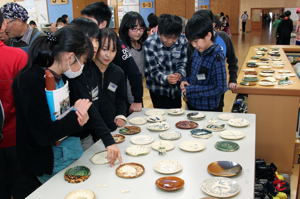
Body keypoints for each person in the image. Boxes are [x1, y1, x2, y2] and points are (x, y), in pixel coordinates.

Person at [12, 26, 94, 195]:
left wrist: (80, 119)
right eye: (82, 62)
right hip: (45, 163)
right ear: (70, 56)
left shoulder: (61, 76)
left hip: (68, 154)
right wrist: (75, 116)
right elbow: (42, 134)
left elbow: (66, 118)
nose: (81, 67)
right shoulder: (30, 79)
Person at [69, 18, 123, 157]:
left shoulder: (116, 72)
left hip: (99, 131)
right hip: (76, 136)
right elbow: (90, 106)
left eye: (95, 40)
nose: (94, 45)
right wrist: (108, 140)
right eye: (91, 40)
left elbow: (120, 98)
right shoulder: (81, 70)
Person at [81, 2, 143, 113]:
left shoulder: (115, 42)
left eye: (89, 21)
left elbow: (134, 73)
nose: (86, 25)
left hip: (115, 99)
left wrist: (137, 100)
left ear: (102, 24)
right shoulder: (85, 40)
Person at [0, 10, 34, 199]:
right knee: (23, 188)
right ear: (3, 24)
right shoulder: (17, 56)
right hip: (16, 136)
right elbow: (27, 102)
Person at [193, 10, 239, 111]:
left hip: (217, 91)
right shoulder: (194, 43)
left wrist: (232, 79)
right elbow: (189, 65)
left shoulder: (224, 37)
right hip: (196, 93)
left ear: (213, 24)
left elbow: (232, 60)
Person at [181, 15, 227, 111]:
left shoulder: (217, 57)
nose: (194, 45)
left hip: (209, 109)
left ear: (208, 36)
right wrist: (186, 81)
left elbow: (220, 88)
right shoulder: (198, 51)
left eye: (196, 41)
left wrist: (191, 90)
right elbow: (194, 73)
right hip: (192, 104)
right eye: (191, 42)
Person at [144, 14, 187, 109]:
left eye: (174, 37)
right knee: (160, 117)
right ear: (159, 32)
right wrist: (166, 78)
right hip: (158, 90)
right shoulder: (150, 43)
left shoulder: (183, 40)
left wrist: (179, 74)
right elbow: (151, 71)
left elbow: (183, 62)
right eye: (167, 37)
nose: (170, 41)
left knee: (176, 114)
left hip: (176, 90)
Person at [119, 11, 148, 111]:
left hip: (137, 92)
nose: (138, 32)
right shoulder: (123, 48)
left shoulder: (143, 45)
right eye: (134, 29)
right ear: (126, 29)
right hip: (125, 94)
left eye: (141, 29)